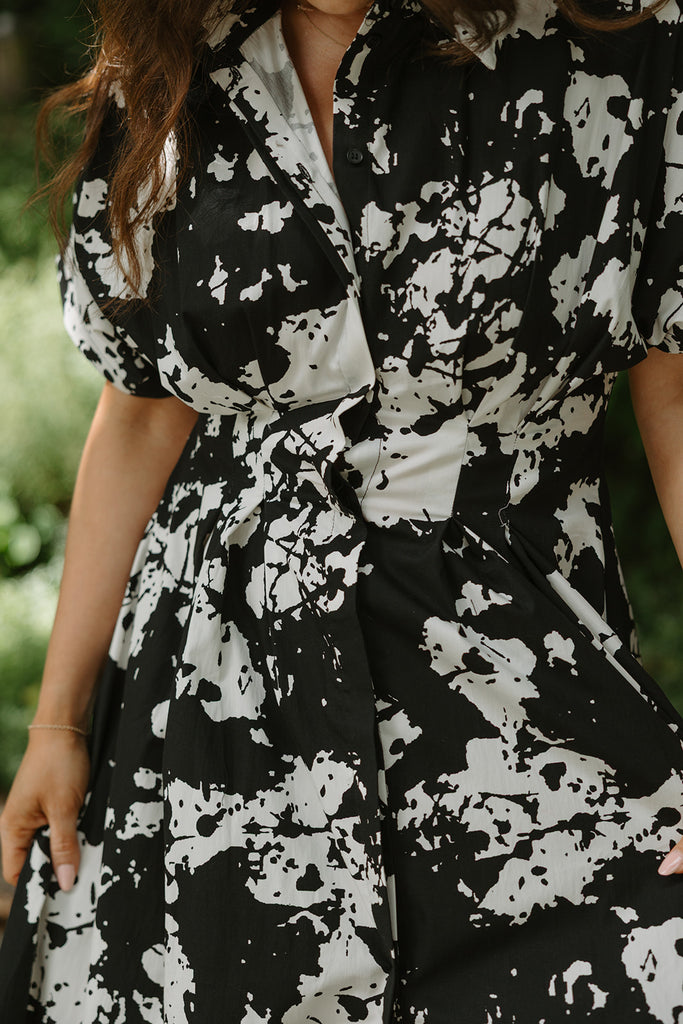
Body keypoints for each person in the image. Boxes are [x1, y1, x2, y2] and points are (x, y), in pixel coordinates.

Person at [0, 0, 682, 1016]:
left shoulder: (615, 41)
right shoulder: (174, 63)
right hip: (211, 711)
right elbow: (144, 411)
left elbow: (672, 389)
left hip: (519, 697)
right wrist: (56, 723)